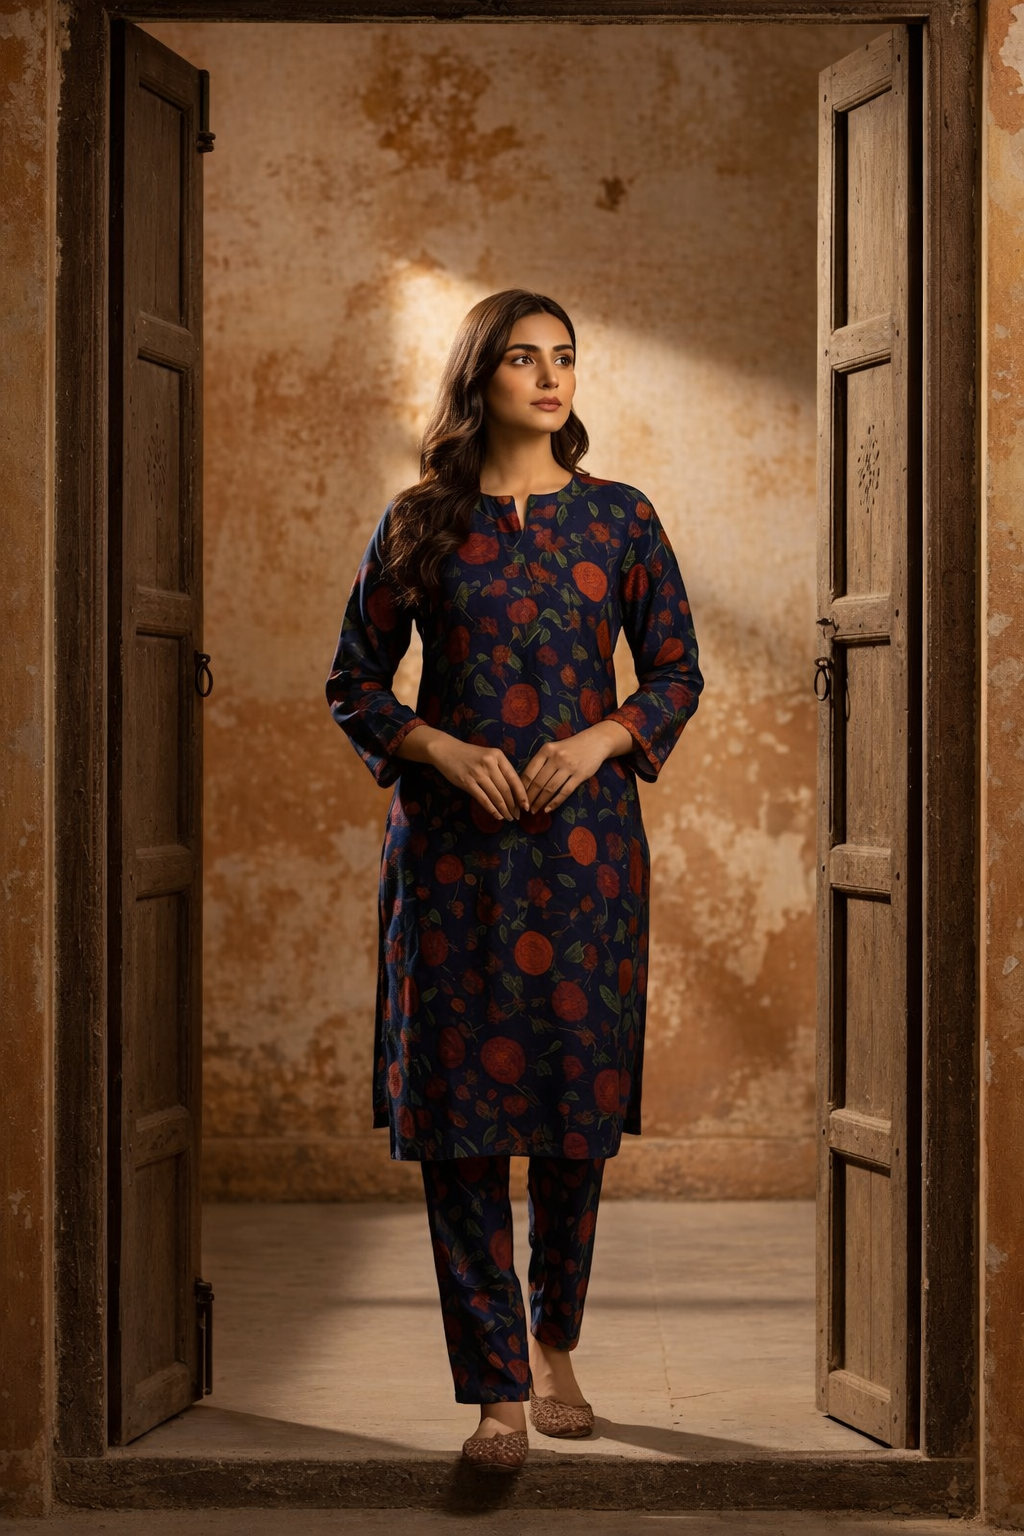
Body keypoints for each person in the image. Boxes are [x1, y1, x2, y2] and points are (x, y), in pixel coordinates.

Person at [325, 289, 703, 1471]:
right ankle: (493, 1392)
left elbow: (677, 672)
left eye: (564, 358)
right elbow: (354, 681)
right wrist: (438, 748)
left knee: (574, 1112)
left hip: (586, 859)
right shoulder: (419, 522)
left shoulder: (619, 519)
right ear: (478, 376)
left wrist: (599, 740)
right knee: (462, 1122)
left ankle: (554, 1347)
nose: (550, 377)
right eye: (524, 358)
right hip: (451, 861)